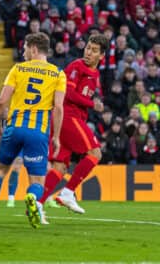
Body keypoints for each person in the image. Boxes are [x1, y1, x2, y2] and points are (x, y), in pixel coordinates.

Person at [0, 32, 66, 229]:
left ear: (33, 48)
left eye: (25, 48)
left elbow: (1, 101)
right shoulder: (58, 73)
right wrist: (56, 136)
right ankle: (32, 196)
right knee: (38, 180)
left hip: (14, 129)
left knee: (0, 170)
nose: (23, 52)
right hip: (37, 132)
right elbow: (58, 108)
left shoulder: (18, 69)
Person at [37, 35, 109, 217]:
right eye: (87, 48)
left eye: (93, 50)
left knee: (60, 167)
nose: (88, 52)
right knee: (95, 153)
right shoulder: (77, 66)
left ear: (102, 55)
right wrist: (93, 104)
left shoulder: (95, 73)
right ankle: (68, 193)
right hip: (68, 116)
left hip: (67, 119)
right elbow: (68, 93)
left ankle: (38, 204)